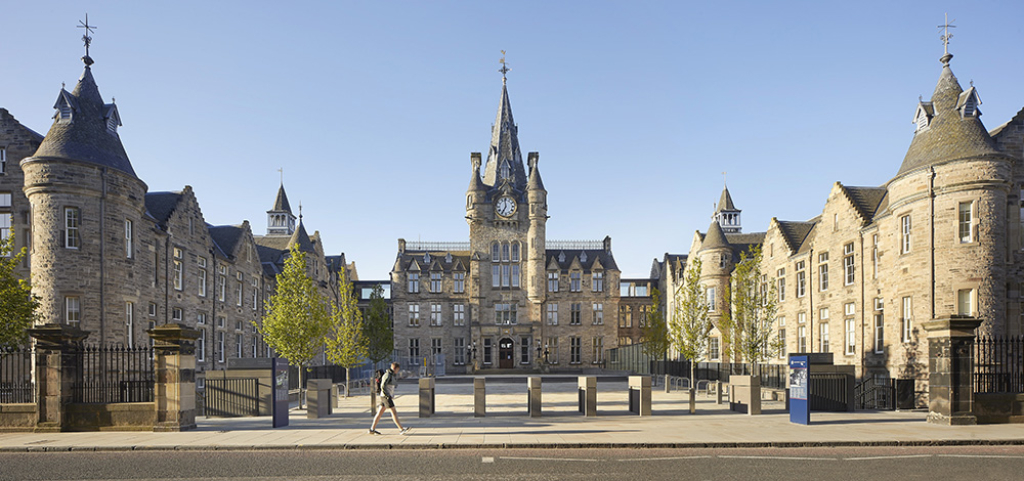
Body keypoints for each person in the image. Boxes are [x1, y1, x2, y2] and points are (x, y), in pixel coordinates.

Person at [368, 362, 410, 435]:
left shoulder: (390, 375)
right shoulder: (387, 375)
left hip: (384, 396)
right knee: (394, 412)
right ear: (395, 368)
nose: (398, 371)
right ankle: (401, 429)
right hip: (386, 397)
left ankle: (372, 429)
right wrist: (388, 395)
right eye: (397, 370)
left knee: (379, 413)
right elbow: (382, 386)